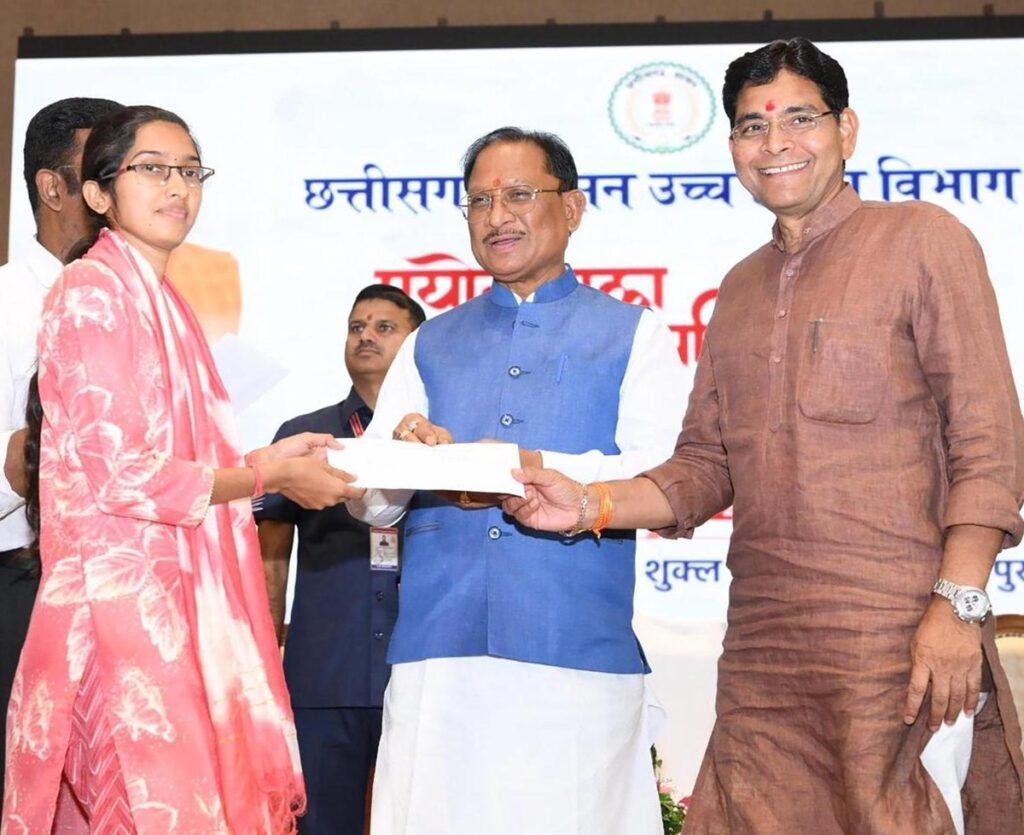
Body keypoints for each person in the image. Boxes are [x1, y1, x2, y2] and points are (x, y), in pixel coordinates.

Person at [502, 38, 1024, 835]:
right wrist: (587, 504)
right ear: (733, 148)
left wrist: (957, 605)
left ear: (846, 129)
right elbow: (704, 465)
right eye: (752, 126)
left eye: (799, 119)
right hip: (764, 647)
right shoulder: (740, 289)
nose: (775, 142)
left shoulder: (923, 239)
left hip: (897, 634)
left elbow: (989, 440)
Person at [2, 104, 363, 833]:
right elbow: (123, 474)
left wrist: (265, 461)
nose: (177, 187)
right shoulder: (89, 291)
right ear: (98, 193)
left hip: (172, 613)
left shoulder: (165, 301)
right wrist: (265, 477)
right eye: (152, 169)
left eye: (190, 171)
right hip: (116, 623)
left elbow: (179, 464)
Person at [348, 127, 687, 835]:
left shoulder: (634, 333)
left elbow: (666, 476)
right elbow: (371, 502)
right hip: (439, 647)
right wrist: (411, 455)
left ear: (572, 208)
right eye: (479, 201)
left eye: (519, 195)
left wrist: (526, 462)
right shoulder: (429, 341)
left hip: (573, 646)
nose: (496, 216)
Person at [256, 283, 425, 835]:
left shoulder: (438, 441)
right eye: (357, 327)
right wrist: (265, 644)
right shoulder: (305, 438)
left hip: (420, 672)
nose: (365, 337)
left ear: (416, 344)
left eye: (384, 328)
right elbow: (272, 547)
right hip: (324, 671)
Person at [0, 96, 122, 803]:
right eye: (104, 171)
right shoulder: (6, 309)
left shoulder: (144, 306)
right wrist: (30, 458)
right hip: (24, 583)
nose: (119, 192)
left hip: (124, 592)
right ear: (54, 188)